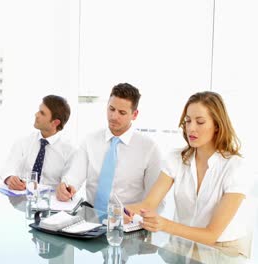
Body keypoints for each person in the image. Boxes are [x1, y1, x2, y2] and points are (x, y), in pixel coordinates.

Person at [126, 91, 252, 257]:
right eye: (187, 121)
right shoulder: (176, 159)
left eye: (200, 122)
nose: (191, 128)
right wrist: (121, 211)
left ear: (217, 125)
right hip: (183, 244)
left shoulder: (235, 167)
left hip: (224, 250)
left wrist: (164, 225)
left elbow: (211, 235)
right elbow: (148, 204)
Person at [56, 83, 163, 213]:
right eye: (111, 109)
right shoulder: (90, 140)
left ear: (134, 114)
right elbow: (73, 176)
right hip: (91, 215)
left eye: (122, 113)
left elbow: (156, 200)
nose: (114, 116)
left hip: (128, 219)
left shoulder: (149, 148)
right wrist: (65, 186)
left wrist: (137, 218)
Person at [0, 95, 75, 190]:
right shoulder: (23, 141)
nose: (36, 114)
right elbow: (7, 168)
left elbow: (69, 182)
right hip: (22, 198)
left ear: (55, 123)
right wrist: (9, 178)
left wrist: (64, 190)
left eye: (42, 113)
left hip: (50, 200)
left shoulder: (70, 150)